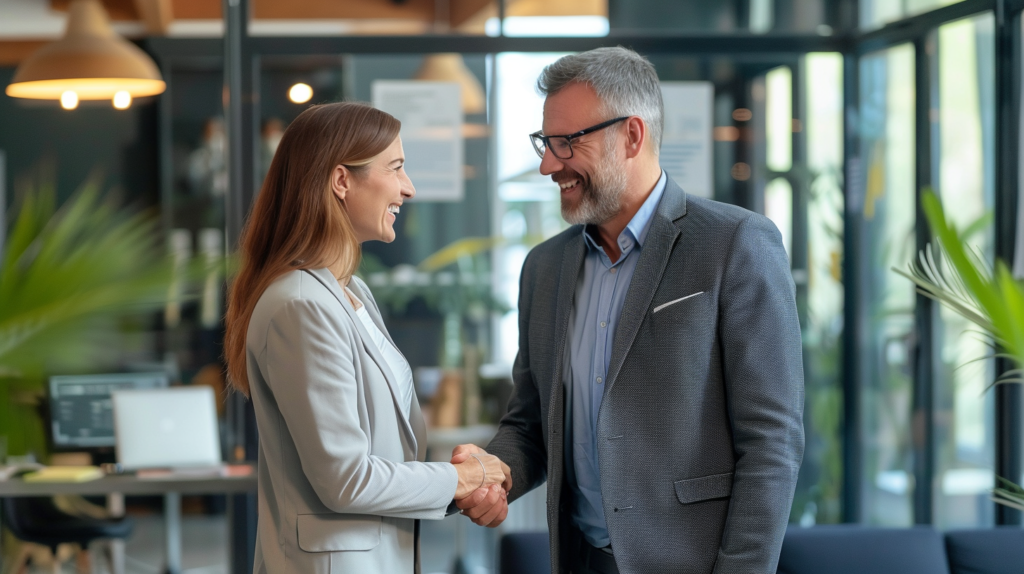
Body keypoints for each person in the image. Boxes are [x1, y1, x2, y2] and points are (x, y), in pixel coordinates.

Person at [452, 47, 805, 574]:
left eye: (568, 143)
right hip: (580, 560)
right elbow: (529, 422)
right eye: (545, 144)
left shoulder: (735, 243)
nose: (549, 164)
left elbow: (772, 443)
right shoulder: (543, 268)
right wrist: (495, 473)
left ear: (632, 136)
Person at [223, 102, 508, 574]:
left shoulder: (350, 291)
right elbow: (345, 477)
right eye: (396, 167)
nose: (408, 187)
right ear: (341, 181)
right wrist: (460, 478)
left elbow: (379, 456)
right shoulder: (302, 305)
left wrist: (461, 489)